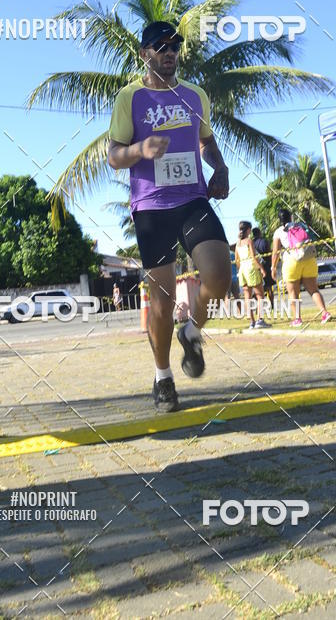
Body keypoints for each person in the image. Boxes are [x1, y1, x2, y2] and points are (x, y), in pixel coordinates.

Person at [108, 21, 231, 412]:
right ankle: (163, 377)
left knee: (219, 276)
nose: (169, 52)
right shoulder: (130, 97)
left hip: (192, 200)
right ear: (144, 54)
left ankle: (191, 332)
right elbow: (114, 155)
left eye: (174, 46)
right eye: (160, 47)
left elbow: (206, 141)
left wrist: (220, 167)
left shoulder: (195, 95)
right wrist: (140, 149)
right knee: (161, 302)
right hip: (151, 207)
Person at [271, 208, 331, 327]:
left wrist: (273, 267)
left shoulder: (279, 232)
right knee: (313, 290)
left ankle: (297, 319)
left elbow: (275, 252)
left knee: (293, 293)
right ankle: (325, 313)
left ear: (280, 219)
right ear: (290, 217)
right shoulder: (301, 225)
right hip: (309, 259)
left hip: (292, 262)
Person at [235, 222, 269, 329]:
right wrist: (262, 268)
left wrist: (240, 269)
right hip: (251, 268)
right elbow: (254, 257)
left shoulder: (238, 243)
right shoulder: (249, 241)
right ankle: (260, 320)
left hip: (242, 269)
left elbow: (237, 260)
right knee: (260, 295)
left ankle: (252, 322)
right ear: (248, 230)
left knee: (247, 296)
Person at [252, 227, 275, 306]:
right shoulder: (264, 241)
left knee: (258, 288)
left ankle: (258, 304)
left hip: (256, 267)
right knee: (269, 287)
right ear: (259, 233)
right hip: (266, 266)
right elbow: (269, 253)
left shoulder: (251, 243)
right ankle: (272, 305)